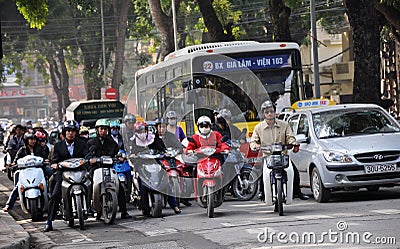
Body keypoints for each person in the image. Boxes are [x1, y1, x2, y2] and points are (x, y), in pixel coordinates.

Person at [250, 100, 309, 201]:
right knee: (263, 174)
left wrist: (293, 143)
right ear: (263, 114)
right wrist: (255, 145)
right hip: (267, 156)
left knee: (294, 172)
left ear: (274, 112)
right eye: (267, 112)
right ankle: (262, 193)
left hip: (283, 155)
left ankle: (297, 192)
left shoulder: (284, 125)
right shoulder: (258, 128)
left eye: (271, 111)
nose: (269, 114)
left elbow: (290, 137)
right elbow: (253, 141)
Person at [44, 120, 89, 232]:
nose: (70, 133)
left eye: (73, 131)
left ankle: (90, 207)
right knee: (55, 194)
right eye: (68, 131)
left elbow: (87, 156)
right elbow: (54, 160)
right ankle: (49, 221)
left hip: (79, 173)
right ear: (64, 133)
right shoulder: (58, 146)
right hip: (63, 174)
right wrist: (54, 165)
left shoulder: (82, 144)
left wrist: (89, 160)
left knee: (90, 184)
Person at [86, 118, 131, 219]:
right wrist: (90, 159)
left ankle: (124, 211)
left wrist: (120, 158)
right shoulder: (90, 142)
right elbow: (87, 155)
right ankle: (88, 208)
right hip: (95, 168)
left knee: (120, 185)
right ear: (97, 130)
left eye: (105, 129)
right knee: (88, 183)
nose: (103, 131)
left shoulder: (112, 143)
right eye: (101, 129)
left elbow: (117, 154)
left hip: (109, 168)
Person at [2, 133, 50, 212]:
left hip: (38, 170)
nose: (33, 141)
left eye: (34, 139)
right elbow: (16, 160)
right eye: (31, 139)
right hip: (25, 172)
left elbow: (45, 157)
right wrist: (12, 164)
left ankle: (52, 198)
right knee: (18, 186)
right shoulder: (22, 149)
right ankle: (9, 205)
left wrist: (46, 160)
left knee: (49, 177)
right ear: (26, 140)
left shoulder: (39, 148)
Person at [153, 118, 182, 213]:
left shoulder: (170, 136)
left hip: (170, 160)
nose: (162, 129)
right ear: (157, 127)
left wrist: (178, 150)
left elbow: (178, 146)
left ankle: (175, 205)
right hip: (156, 162)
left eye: (164, 126)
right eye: (160, 127)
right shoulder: (153, 138)